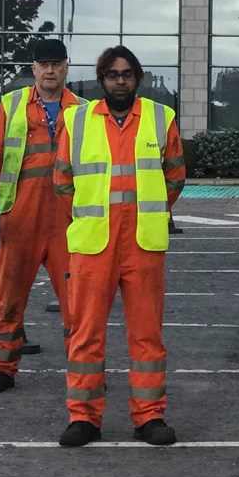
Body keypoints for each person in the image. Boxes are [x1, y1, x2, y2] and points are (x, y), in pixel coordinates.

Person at [52, 46, 186, 447]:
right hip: (94, 245)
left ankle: (149, 417)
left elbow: (175, 178)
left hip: (143, 244)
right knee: (85, 334)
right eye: (112, 74)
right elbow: (62, 183)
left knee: (147, 335)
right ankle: (83, 418)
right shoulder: (76, 121)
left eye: (127, 74)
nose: (120, 80)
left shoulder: (162, 119)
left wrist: (148, 213)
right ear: (101, 79)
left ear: (138, 78)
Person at [0, 38, 82, 394]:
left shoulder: (84, 110)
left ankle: (82, 369)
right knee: (8, 295)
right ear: (34, 69)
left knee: (77, 301)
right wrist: (12, 203)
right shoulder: (11, 106)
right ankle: (2, 368)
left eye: (57, 63)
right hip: (21, 220)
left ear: (66, 67)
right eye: (44, 64)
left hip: (68, 222)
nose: (50, 69)